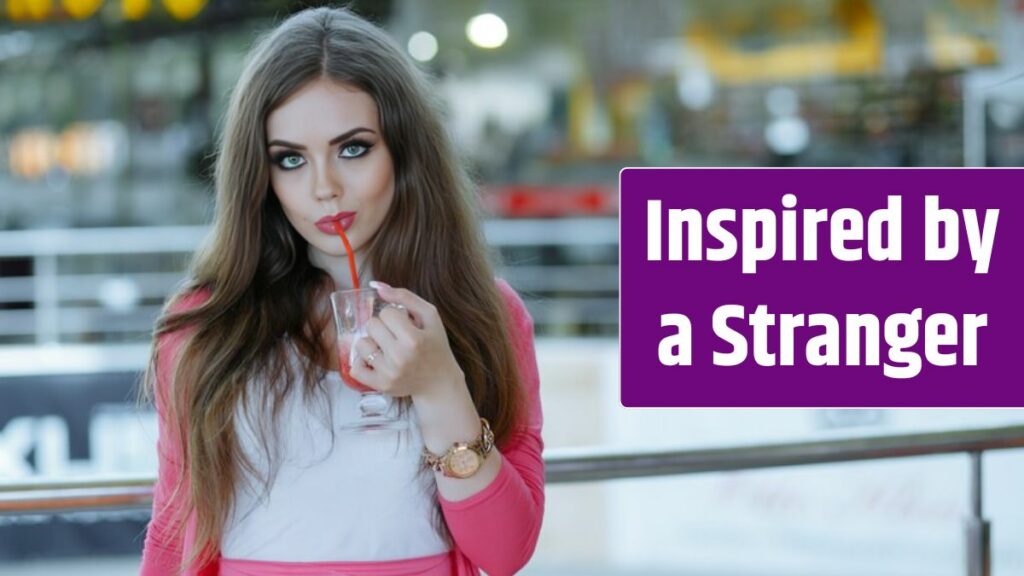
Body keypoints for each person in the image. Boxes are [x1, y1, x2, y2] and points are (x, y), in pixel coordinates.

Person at [139, 7, 544, 576]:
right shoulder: (206, 324)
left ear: (405, 154)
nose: (324, 187)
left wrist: (439, 386)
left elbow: (505, 553)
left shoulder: (487, 314)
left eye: (353, 148)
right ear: (261, 174)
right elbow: (173, 531)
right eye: (290, 159)